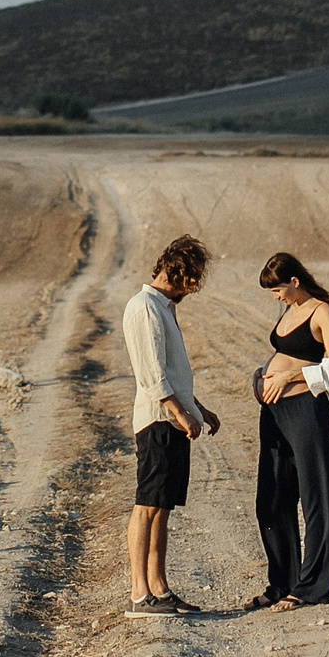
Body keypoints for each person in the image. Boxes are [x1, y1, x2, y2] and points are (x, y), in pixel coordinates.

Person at [245, 251, 329, 613]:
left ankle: (311, 587)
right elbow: (284, 353)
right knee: (271, 499)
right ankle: (282, 582)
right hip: (276, 413)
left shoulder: (322, 311)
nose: (275, 297)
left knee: (316, 498)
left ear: (294, 281)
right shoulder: (288, 310)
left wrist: (291, 377)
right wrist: (261, 375)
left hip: (308, 413)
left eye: (277, 290)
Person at [123, 234, 220, 616]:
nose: (191, 290)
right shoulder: (143, 307)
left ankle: (159, 590)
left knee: (162, 507)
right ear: (177, 273)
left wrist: (198, 409)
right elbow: (151, 374)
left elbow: (173, 373)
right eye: (191, 281)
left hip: (173, 420)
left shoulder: (163, 308)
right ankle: (138, 593)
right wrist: (180, 414)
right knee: (147, 505)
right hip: (157, 422)